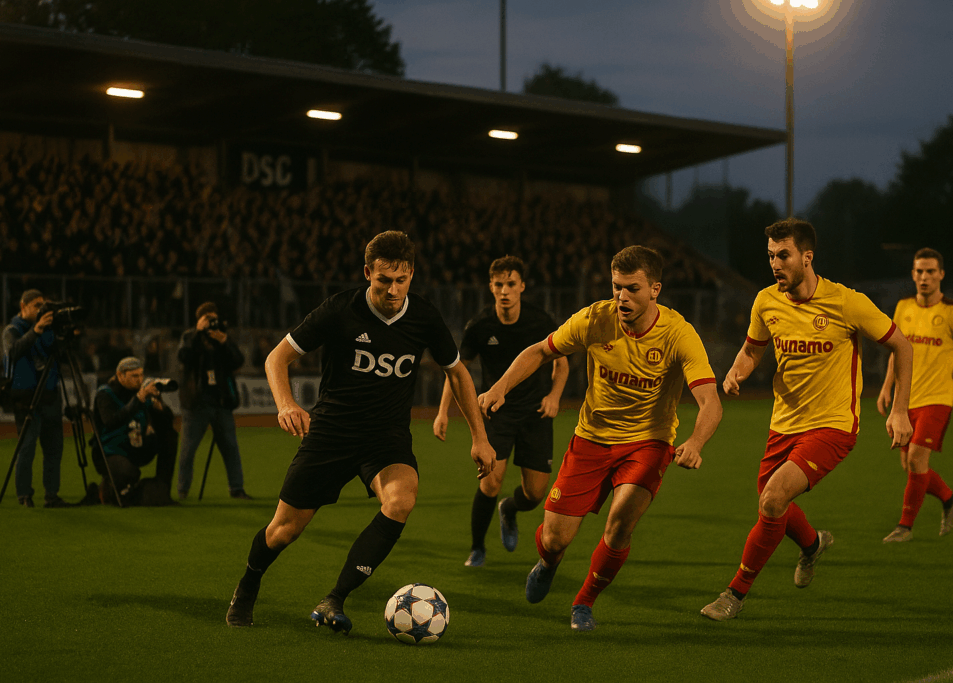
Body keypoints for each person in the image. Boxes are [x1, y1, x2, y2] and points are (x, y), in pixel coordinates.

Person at [225, 230, 495, 632]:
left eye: (401, 280)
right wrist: (285, 403)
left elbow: (456, 372)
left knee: (402, 499)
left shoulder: (423, 316)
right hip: (332, 432)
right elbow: (276, 357)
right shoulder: (340, 310)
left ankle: (335, 598)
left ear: (411, 276)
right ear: (368, 272)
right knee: (283, 531)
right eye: (384, 280)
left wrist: (480, 437)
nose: (392, 289)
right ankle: (247, 586)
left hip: (385, 437)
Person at [479, 245, 723, 632]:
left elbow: (711, 401)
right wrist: (499, 387)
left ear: (655, 289)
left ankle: (584, 601)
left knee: (620, 523)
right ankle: (548, 563)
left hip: (649, 442)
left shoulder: (679, 335)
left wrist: (694, 442)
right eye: (616, 287)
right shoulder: (595, 318)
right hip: (591, 439)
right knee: (556, 539)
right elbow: (541, 351)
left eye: (632, 289)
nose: (622, 297)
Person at [700, 219, 914, 622]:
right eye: (770, 256)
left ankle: (735, 594)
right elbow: (751, 349)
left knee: (773, 498)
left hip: (833, 426)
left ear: (806, 257)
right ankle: (813, 545)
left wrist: (900, 409)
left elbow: (902, 346)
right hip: (784, 424)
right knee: (772, 503)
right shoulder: (766, 301)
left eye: (783, 255)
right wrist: (736, 370)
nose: (775, 264)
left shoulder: (847, 302)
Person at [434, 256, 569, 567]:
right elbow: (457, 371)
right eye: (499, 285)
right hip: (497, 412)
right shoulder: (480, 326)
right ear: (490, 287)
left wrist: (554, 396)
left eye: (511, 284)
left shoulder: (540, 321)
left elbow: (561, 363)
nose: (505, 291)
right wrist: (442, 412)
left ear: (522, 286)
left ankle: (510, 508)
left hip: (535, 412)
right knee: (489, 482)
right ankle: (478, 548)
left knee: (535, 494)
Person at [877, 248, 953, 543]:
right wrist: (887, 387)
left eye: (930, 271)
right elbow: (896, 353)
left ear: (941, 275)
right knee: (909, 464)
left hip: (938, 398)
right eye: (919, 271)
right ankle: (949, 499)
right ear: (913, 274)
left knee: (917, 461)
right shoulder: (903, 306)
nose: (924, 277)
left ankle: (904, 527)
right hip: (906, 400)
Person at [1, 289, 73, 508]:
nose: (41, 308)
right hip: (26, 396)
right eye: (36, 305)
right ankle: (24, 495)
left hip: (50, 394)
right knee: (27, 446)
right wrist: (36, 330)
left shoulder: (49, 328)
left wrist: (64, 334)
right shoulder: (12, 330)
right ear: (23, 306)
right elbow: (13, 353)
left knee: (54, 448)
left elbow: (60, 355)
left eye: (43, 304)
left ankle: (51, 494)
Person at [176, 302, 251, 500]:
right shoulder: (189, 337)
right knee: (188, 449)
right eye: (207, 318)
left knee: (230, 447)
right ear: (199, 319)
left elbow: (238, 361)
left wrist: (225, 341)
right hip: (196, 403)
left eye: (213, 318)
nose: (211, 322)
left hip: (221, 401)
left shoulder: (221, 337)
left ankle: (237, 488)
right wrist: (196, 333)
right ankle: (183, 490)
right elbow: (183, 357)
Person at [91, 357, 179, 506]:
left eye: (141, 375)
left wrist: (160, 408)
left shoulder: (142, 392)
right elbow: (111, 422)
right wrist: (138, 399)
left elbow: (166, 424)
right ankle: (109, 487)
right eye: (134, 376)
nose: (139, 380)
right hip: (110, 452)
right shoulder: (105, 394)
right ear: (120, 375)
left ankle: (162, 489)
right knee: (128, 473)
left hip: (136, 445)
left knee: (170, 436)